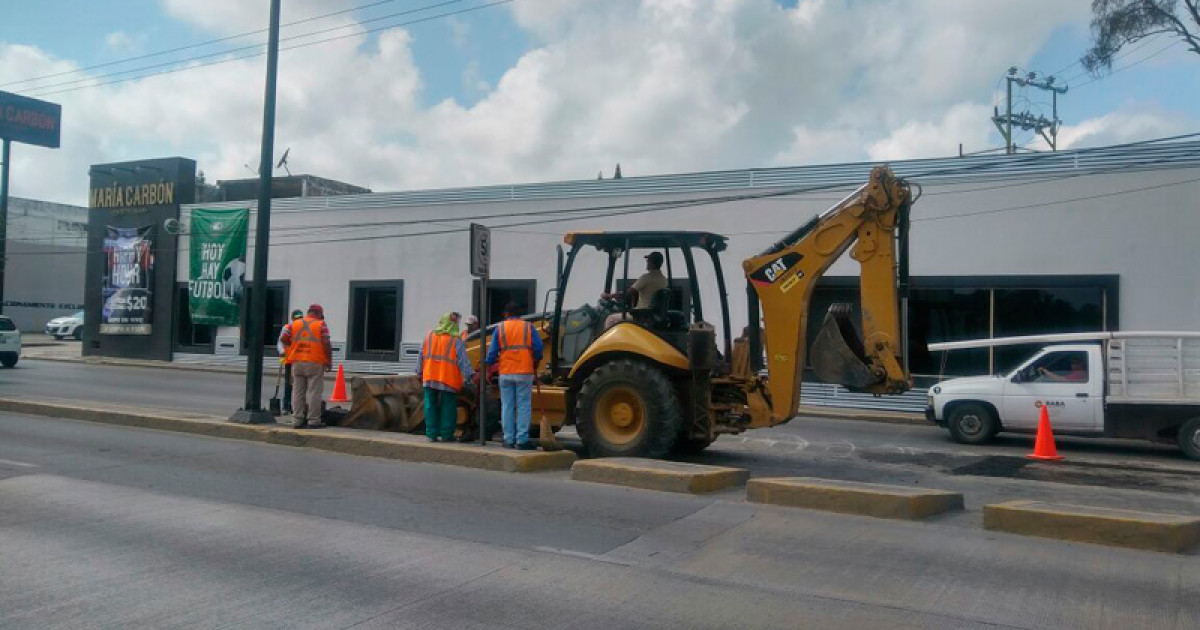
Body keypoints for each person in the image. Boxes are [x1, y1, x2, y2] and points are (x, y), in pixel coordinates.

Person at [485, 302, 544, 449]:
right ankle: (522, 440)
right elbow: (539, 347)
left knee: (507, 406)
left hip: (505, 372)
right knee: (523, 406)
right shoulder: (528, 327)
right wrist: (536, 359)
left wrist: (487, 364)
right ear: (520, 315)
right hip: (524, 371)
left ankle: (508, 439)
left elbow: (492, 353)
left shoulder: (500, 328)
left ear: (506, 314)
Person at [417, 312, 474, 442]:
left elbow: (421, 355)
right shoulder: (455, 340)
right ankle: (447, 434)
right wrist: (470, 376)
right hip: (447, 379)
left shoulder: (429, 336)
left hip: (430, 376)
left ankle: (431, 434)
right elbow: (463, 361)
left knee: (430, 405)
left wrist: (419, 372)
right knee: (448, 407)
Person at [279, 304, 332, 428]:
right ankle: (313, 420)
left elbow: (283, 338)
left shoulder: (294, 324)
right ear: (319, 314)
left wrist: (293, 346)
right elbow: (326, 343)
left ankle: (297, 420)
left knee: (297, 391)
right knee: (314, 391)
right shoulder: (321, 324)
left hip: (297, 361)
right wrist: (329, 361)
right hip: (315, 361)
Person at [603, 251, 668, 328]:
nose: (647, 262)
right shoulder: (663, 279)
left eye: (648, 261)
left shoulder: (646, 278)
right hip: (651, 315)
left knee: (610, 319)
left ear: (652, 263)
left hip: (641, 315)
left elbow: (628, 293)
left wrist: (609, 296)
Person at [276, 309, 304, 415]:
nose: (298, 320)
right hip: (289, 360)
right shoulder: (287, 328)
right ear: (292, 318)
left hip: (300, 360)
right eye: (296, 318)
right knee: (289, 384)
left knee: (299, 385)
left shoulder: (304, 329)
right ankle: (286, 406)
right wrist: (282, 351)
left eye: (300, 318)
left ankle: (295, 407)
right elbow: (279, 343)